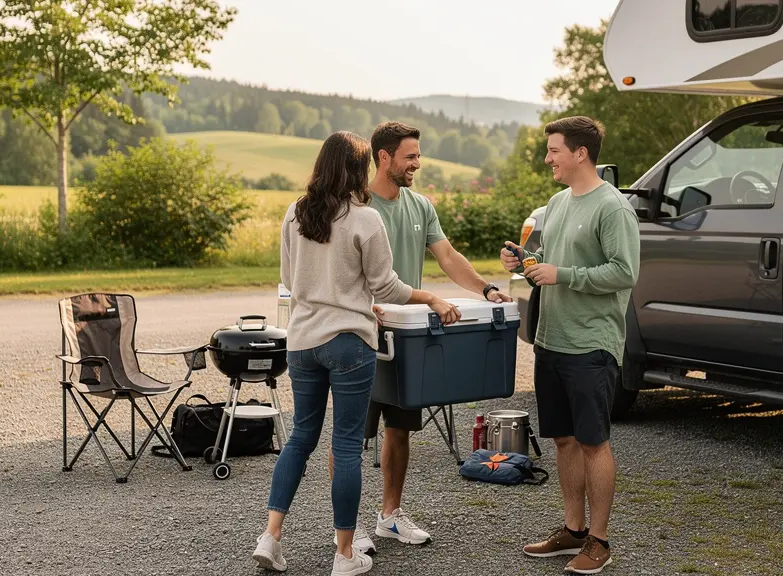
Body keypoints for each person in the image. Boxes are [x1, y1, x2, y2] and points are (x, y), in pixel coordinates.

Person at [252, 130, 461, 576]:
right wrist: (428, 299)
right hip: (349, 342)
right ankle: (345, 555)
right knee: (347, 445)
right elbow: (386, 286)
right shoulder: (365, 219)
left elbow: (291, 279)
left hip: (303, 341)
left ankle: (270, 537)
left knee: (301, 438)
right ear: (360, 168)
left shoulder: (295, 213)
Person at [328, 121, 512, 554]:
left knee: (401, 427)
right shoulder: (353, 205)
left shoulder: (420, 206)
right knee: (351, 435)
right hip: (360, 332)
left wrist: (485, 289)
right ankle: (346, 530)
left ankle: (389, 516)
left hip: (406, 333)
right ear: (384, 157)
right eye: (410, 156)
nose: (417, 164)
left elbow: (447, 256)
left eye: (418, 156)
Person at [500, 116, 639, 574]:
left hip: (591, 345)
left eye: (554, 149)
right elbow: (547, 264)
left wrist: (565, 275)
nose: (548, 158)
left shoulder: (613, 208)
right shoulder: (556, 203)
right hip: (551, 340)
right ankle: (573, 530)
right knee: (563, 440)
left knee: (594, 442)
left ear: (581, 153)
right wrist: (523, 263)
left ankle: (599, 542)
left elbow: (624, 272)